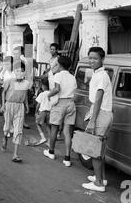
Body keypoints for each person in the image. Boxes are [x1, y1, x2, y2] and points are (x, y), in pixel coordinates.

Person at [82, 47, 113, 192]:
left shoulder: (101, 76)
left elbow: (99, 97)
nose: (92, 61)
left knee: (95, 149)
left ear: (102, 59)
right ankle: (101, 178)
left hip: (101, 113)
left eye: (95, 58)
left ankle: (99, 184)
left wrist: (93, 120)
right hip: (103, 113)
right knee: (100, 149)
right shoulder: (99, 74)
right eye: (90, 58)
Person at [43, 56, 77, 167]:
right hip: (71, 104)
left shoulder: (58, 75)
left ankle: (51, 152)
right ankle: (67, 158)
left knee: (54, 127)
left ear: (60, 65)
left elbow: (57, 89)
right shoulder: (73, 77)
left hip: (60, 103)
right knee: (67, 132)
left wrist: (48, 95)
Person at [1, 62, 30, 163]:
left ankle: (15, 154)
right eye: (17, 70)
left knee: (18, 130)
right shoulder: (9, 81)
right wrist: (3, 104)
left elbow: (25, 94)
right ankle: (5, 138)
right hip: (9, 104)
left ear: (24, 72)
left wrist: (26, 105)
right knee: (8, 126)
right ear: (14, 71)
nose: (20, 72)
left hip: (20, 106)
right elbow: (3, 92)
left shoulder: (26, 83)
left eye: (22, 71)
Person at [12, 44, 33, 129]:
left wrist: (29, 85)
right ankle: (14, 121)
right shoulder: (12, 61)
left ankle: (23, 121)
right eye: (14, 53)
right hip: (13, 84)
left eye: (17, 53)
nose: (15, 55)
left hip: (23, 84)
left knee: (23, 103)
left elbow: (28, 74)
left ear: (21, 53)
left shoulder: (24, 62)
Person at [34, 78, 51, 146]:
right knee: (48, 126)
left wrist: (36, 112)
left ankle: (43, 137)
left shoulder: (42, 94)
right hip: (49, 112)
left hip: (42, 112)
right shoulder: (51, 93)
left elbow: (38, 104)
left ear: (43, 86)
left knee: (38, 124)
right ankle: (50, 141)